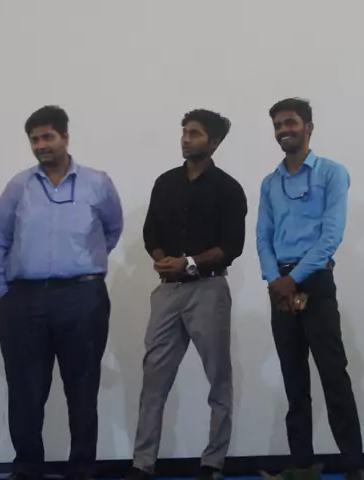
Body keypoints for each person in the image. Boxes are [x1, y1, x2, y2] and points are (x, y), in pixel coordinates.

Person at [0, 105, 123, 480]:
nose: (40, 145)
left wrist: (83, 263)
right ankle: (28, 467)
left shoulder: (97, 183)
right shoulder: (19, 186)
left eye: (47, 137)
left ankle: (82, 468)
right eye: (34, 139)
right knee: (25, 389)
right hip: (24, 300)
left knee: (82, 387)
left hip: (82, 298)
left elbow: (112, 230)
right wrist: (3, 292)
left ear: (65, 137)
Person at [125, 109, 247, 480]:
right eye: (184, 131)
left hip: (208, 289)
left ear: (214, 142)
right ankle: (142, 464)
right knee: (153, 379)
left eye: (194, 133)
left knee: (218, 379)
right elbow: (151, 232)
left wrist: (189, 262)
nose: (185, 138)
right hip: (167, 292)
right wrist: (163, 259)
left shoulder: (228, 189)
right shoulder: (165, 183)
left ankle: (213, 463)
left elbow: (232, 246)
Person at [255, 98, 364, 480]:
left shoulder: (332, 173)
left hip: (315, 280)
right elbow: (263, 236)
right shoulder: (270, 182)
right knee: (294, 380)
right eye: (277, 125)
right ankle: (301, 465)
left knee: (334, 376)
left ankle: (353, 466)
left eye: (290, 122)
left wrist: (294, 278)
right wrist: (275, 279)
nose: (283, 130)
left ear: (309, 127)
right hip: (279, 285)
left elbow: (330, 236)